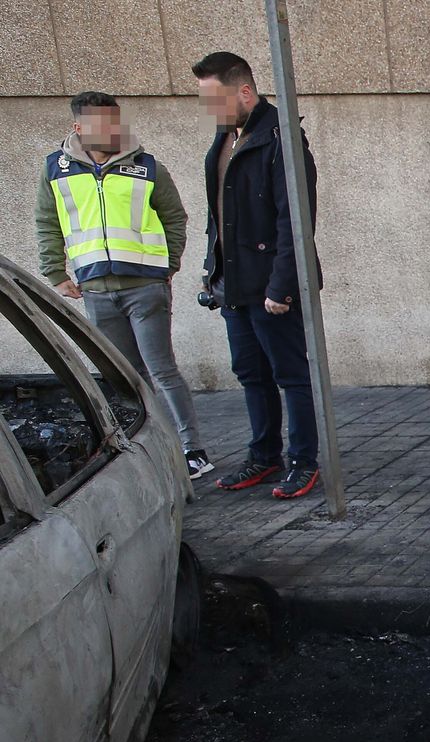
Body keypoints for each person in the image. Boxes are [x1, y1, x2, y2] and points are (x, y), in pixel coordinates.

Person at [36, 91, 213, 478]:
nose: (112, 129)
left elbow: (174, 217)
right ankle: (155, 448)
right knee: (128, 377)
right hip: (95, 290)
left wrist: (169, 265)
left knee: (161, 370)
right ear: (78, 127)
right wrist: (56, 274)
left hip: (145, 287)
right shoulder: (56, 170)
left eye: (115, 121)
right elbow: (48, 223)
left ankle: (192, 450)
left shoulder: (147, 167)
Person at [193, 51, 321, 499]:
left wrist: (282, 287)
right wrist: (212, 273)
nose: (209, 110)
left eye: (215, 99)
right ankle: (264, 456)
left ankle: (303, 461)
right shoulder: (224, 138)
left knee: (291, 375)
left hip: (272, 285)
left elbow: (295, 221)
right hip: (233, 284)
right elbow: (218, 216)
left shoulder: (281, 139)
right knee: (251, 374)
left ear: (244, 91)